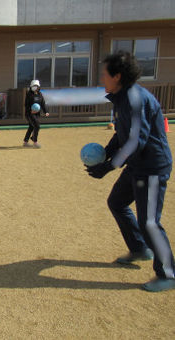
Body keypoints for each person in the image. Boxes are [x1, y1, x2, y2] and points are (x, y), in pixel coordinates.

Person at [86, 51, 175, 292]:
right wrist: (106, 152)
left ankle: (168, 273)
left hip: (152, 167)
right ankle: (139, 249)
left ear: (117, 76)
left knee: (150, 222)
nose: (101, 77)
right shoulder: (121, 97)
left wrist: (108, 166)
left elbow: (137, 141)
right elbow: (121, 134)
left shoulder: (136, 99)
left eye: (105, 74)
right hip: (137, 165)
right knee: (116, 202)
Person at [23, 79, 49, 148]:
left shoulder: (40, 94)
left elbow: (43, 104)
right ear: (31, 87)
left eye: (36, 86)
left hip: (36, 114)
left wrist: (46, 111)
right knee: (37, 126)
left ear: (38, 87)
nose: (35, 87)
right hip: (29, 114)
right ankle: (35, 142)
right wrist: (30, 110)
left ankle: (25, 142)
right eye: (33, 86)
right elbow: (26, 104)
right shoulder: (29, 94)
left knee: (31, 127)